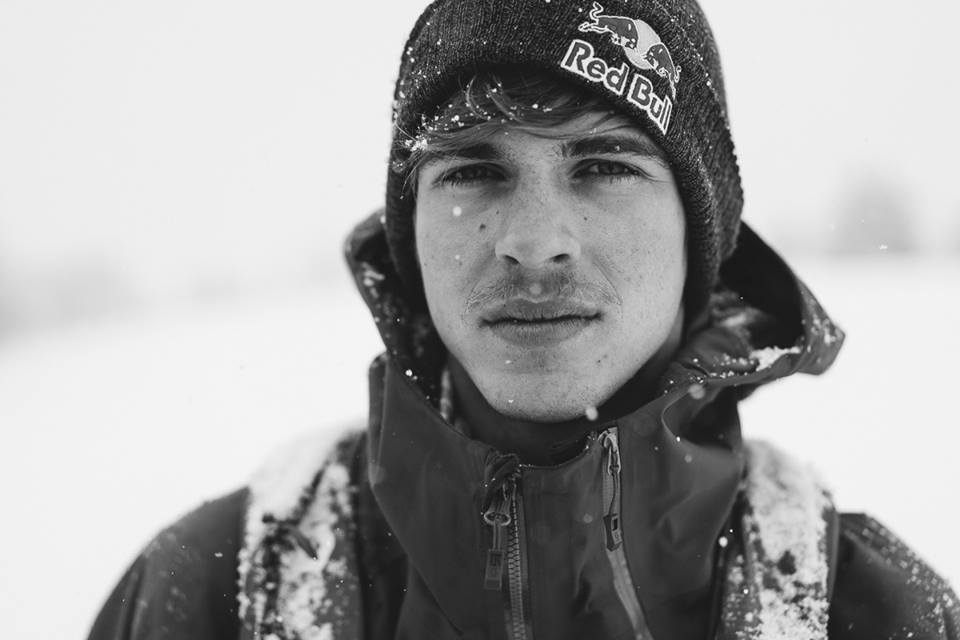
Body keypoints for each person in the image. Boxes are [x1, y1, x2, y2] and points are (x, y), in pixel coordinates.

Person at [88, 1, 959, 638]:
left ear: (701, 239)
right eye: (473, 171)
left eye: (604, 165)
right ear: (411, 237)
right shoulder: (202, 598)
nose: (534, 243)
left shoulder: (875, 613)